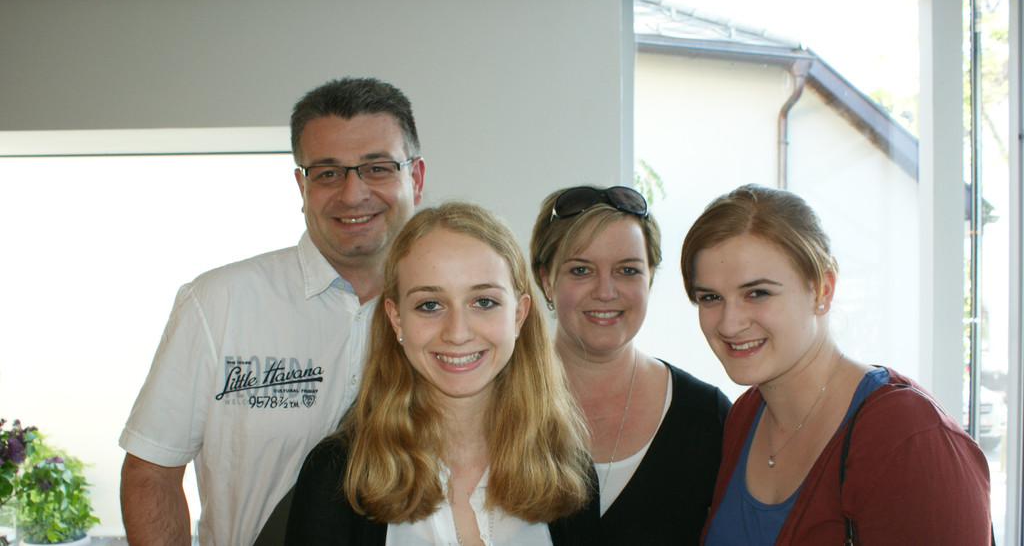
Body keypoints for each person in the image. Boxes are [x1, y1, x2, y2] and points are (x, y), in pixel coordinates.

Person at [119, 77, 426, 545]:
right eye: (327, 173)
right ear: (301, 185)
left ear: (415, 178)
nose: (352, 193)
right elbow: (151, 473)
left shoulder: (461, 319)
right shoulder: (220, 302)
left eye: (377, 168)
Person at [680, 184, 992, 545]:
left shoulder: (909, 437)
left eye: (757, 293)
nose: (729, 324)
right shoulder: (744, 416)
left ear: (822, 289)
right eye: (710, 297)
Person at [284, 202, 599, 545]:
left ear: (519, 315)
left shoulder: (569, 470)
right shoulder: (334, 476)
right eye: (430, 305)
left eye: (484, 302)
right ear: (396, 319)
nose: (457, 333)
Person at [529, 185, 730, 544]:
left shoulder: (707, 418)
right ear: (546, 279)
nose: (605, 291)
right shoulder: (493, 403)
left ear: (650, 276)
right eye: (581, 270)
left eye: (627, 270)